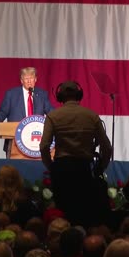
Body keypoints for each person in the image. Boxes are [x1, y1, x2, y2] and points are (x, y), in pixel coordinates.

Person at [39, 81, 112, 227]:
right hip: (84, 169)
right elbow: (107, 147)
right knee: (83, 212)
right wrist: (100, 168)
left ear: (59, 96)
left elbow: (44, 146)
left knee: (63, 213)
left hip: (61, 169)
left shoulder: (53, 116)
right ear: (79, 95)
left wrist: (51, 167)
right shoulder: (91, 116)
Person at [0, 67, 54, 157]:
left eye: (31, 78)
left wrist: (59, 121)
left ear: (35, 79)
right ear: (21, 81)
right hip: (15, 141)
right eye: (26, 78)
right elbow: (2, 112)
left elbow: (50, 111)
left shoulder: (42, 94)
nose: (29, 81)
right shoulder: (11, 94)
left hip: (36, 144)